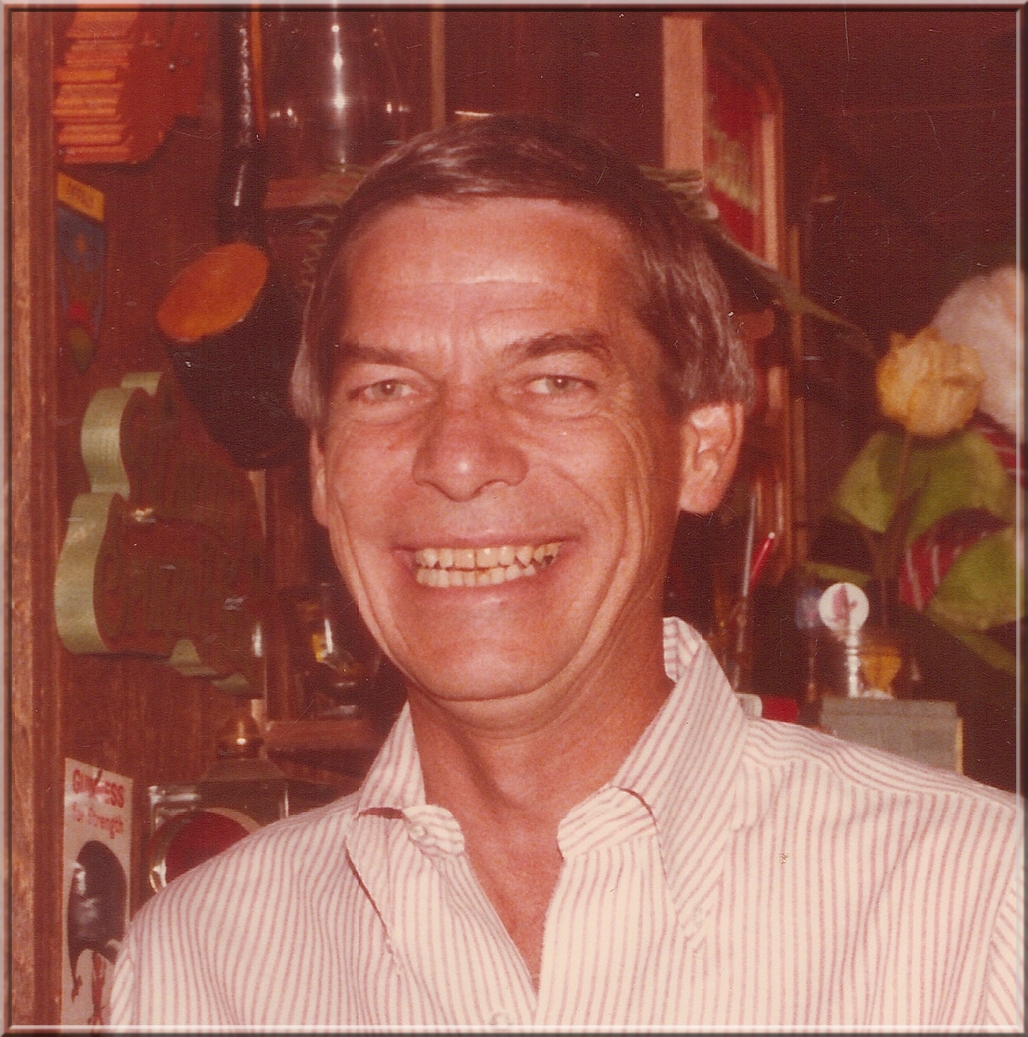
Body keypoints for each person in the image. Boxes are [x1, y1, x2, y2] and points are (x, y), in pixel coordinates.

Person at [111, 115, 1023, 1030]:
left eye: (555, 381)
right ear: (320, 469)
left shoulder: (977, 907)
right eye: (386, 388)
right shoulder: (200, 963)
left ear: (702, 448)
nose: (458, 457)